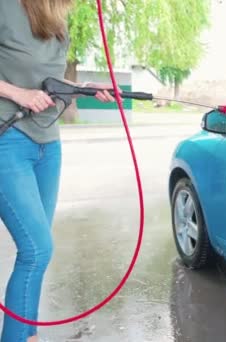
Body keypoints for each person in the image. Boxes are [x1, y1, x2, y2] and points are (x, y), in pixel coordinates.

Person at [0, 1, 117, 341]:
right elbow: (24, 86)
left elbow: (48, 80)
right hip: (7, 140)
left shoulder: (58, 20)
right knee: (37, 249)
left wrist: (84, 89)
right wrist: (16, 92)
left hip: (47, 145)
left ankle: (29, 335)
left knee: (35, 254)